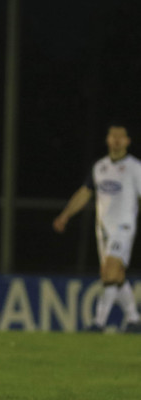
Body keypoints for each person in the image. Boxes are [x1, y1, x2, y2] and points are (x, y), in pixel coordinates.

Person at [53, 123, 141, 332]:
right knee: (116, 276)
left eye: (121, 137)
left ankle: (98, 322)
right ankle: (134, 319)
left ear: (127, 141)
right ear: (108, 140)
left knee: (109, 272)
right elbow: (85, 193)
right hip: (103, 230)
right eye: (113, 136)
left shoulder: (135, 168)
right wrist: (65, 215)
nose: (117, 140)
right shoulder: (99, 167)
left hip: (124, 227)